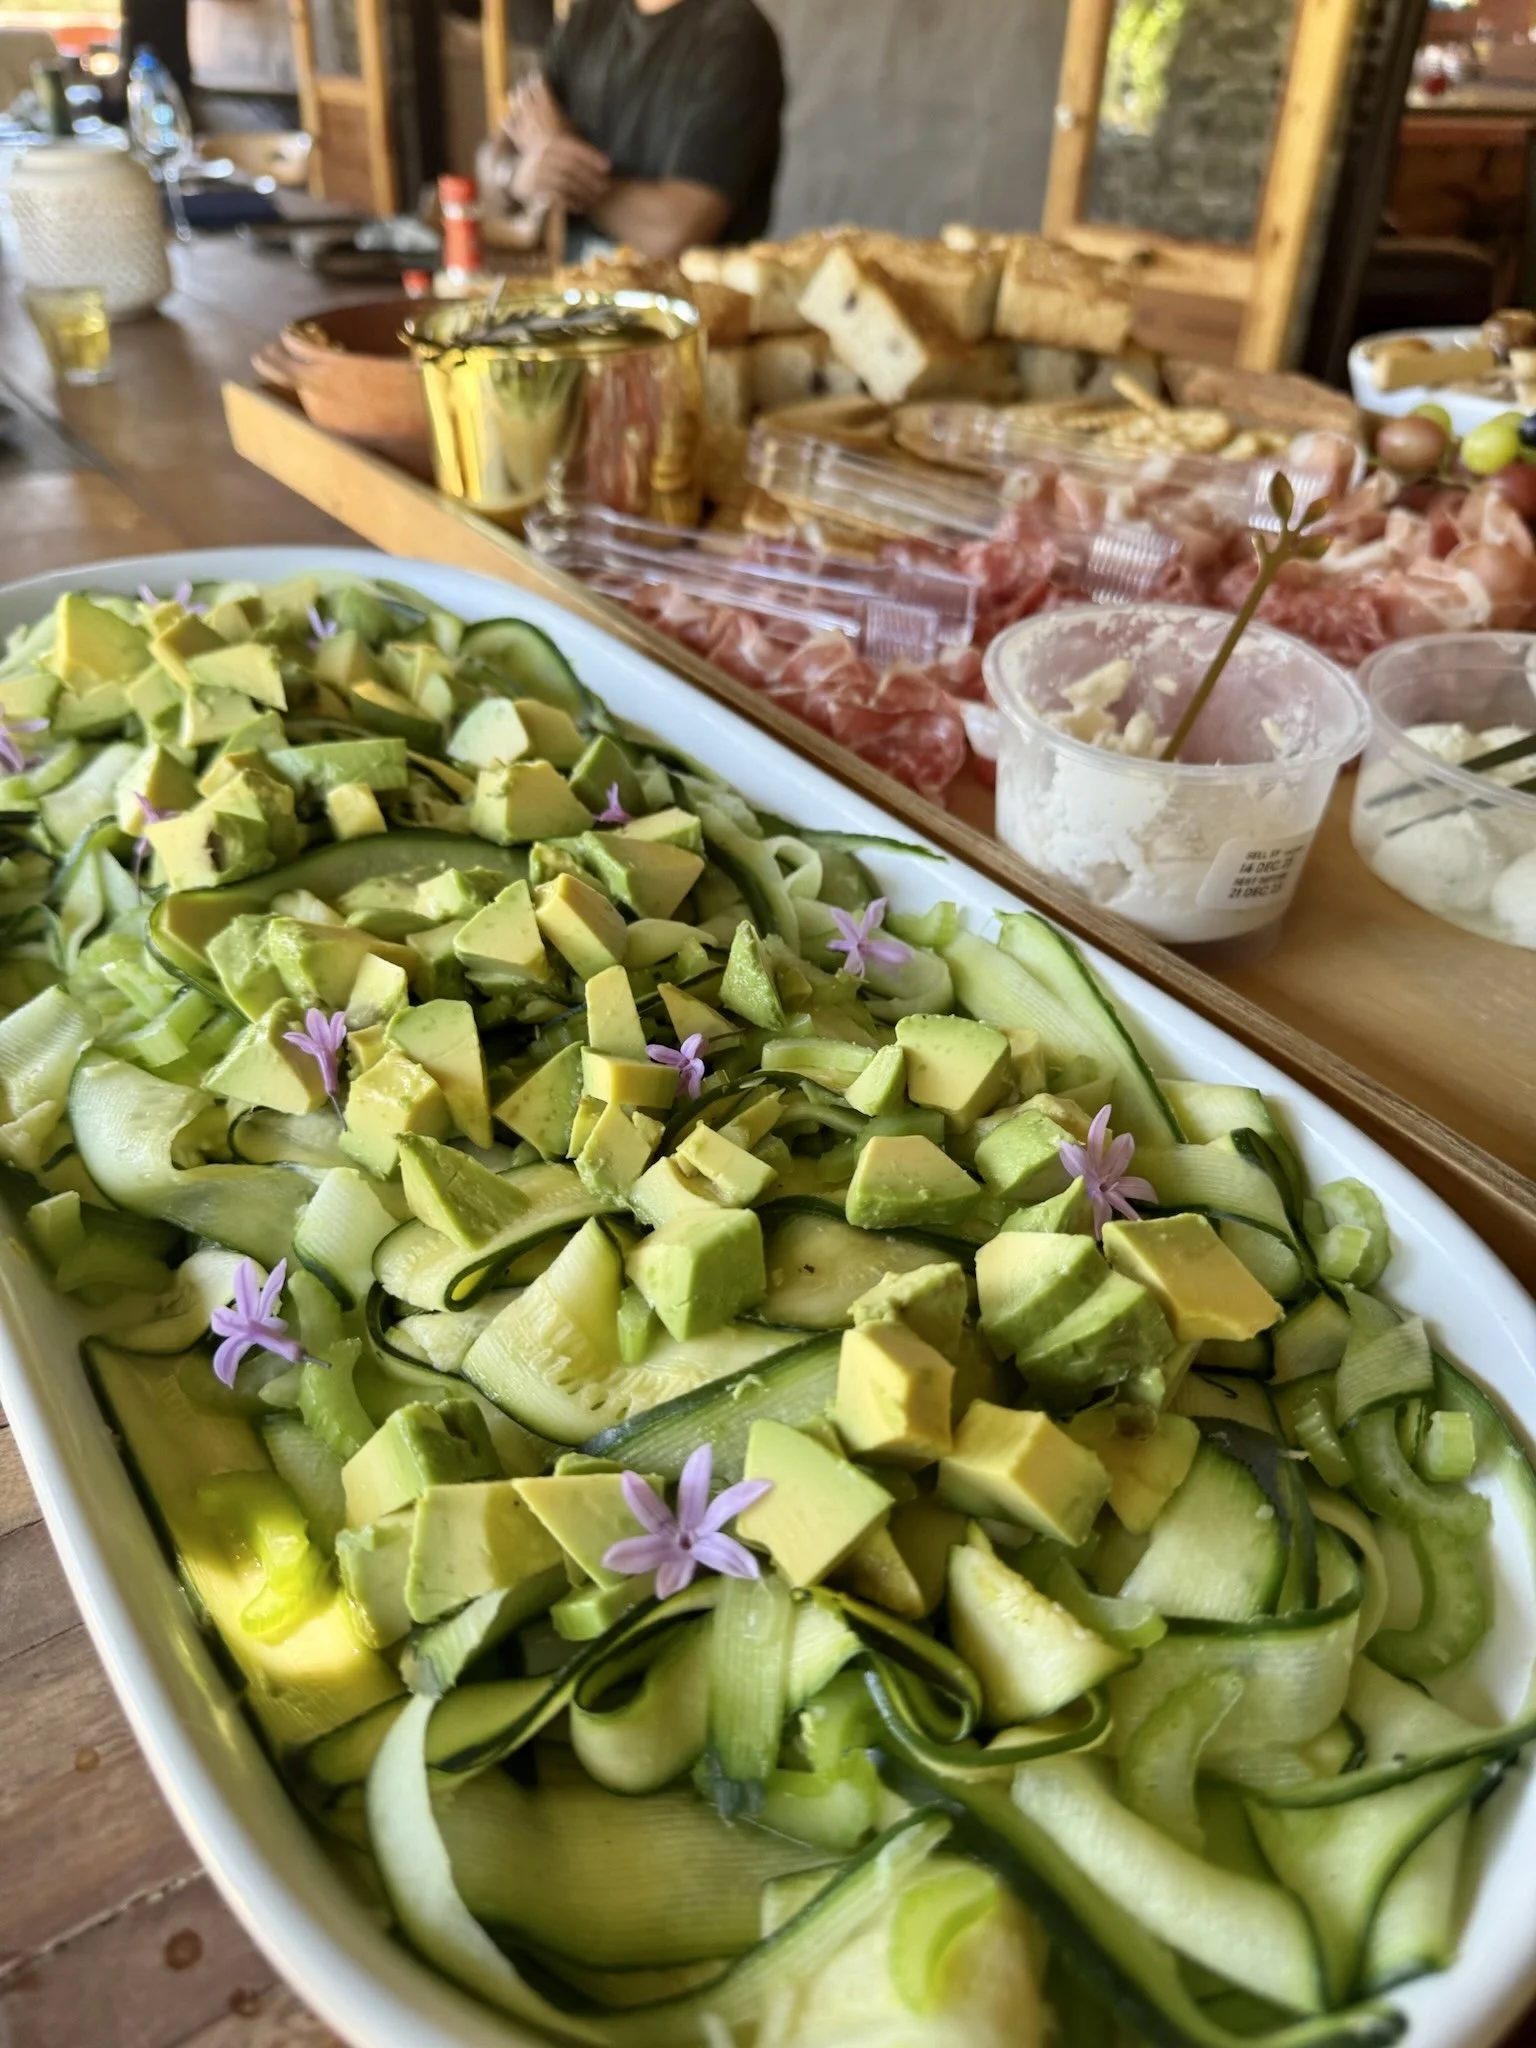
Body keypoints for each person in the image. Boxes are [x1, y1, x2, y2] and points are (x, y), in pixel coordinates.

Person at [479, 0, 784, 263]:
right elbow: (491, 160)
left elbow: (674, 233)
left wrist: (562, 160)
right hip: (573, 290)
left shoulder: (734, 36)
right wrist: (514, 175)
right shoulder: (589, 15)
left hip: (686, 302)